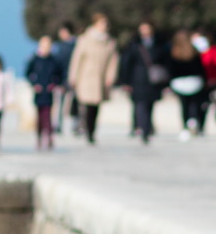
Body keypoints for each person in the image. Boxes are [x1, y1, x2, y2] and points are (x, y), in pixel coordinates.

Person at [68, 13, 119, 143]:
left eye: (106, 23)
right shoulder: (84, 39)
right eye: (102, 23)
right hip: (86, 78)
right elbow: (77, 60)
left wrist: (110, 77)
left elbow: (113, 62)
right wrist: (73, 76)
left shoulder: (110, 42)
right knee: (85, 105)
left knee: (95, 107)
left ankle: (91, 131)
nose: (105, 26)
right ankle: (84, 127)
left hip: (100, 79)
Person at [119, 22, 167, 143]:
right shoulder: (134, 44)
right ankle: (143, 129)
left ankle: (146, 127)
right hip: (137, 79)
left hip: (153, 80)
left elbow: (165, 62)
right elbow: (126, 63)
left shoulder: (159, 44)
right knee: (140, 105)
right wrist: (125, 81)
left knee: (149, 105)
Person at [166, 29, 206, 140]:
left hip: (179, 83)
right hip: (194, 81)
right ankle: (193, 120)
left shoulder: (173, 52)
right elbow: (200, 68)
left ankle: (185, 127)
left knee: (184, 105)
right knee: (194, 103)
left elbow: (171, 69)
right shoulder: (194, 51)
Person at [26, 36, 62, 151]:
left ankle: (50, 137)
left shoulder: (53, 60)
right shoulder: (34, 59)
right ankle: (39, 138)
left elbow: (59, 74)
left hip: (49, 92)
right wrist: (34, 84)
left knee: (48, 116)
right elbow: (28, 73)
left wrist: (54, 84)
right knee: (39, 117)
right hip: (39, 92)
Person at [53, 22, 78, 136]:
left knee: (75, 103)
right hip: (62, 79)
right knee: (60, 104)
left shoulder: (76, 45)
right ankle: (58, 125)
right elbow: (57, 64)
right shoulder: (59, 46)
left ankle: (76, 125)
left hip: (74, 78)